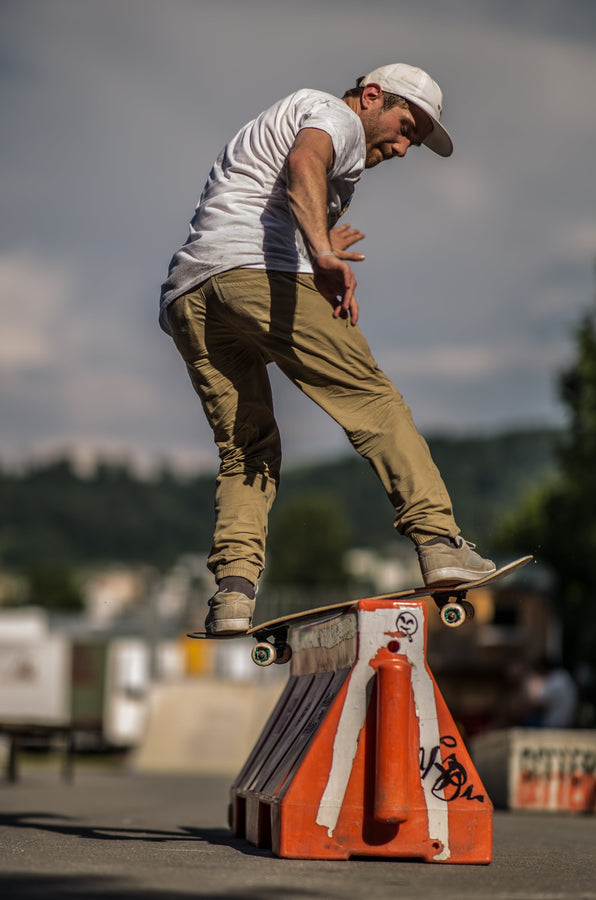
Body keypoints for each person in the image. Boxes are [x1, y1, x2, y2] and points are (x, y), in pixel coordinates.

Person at [160, 63, 496, 635]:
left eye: (413, 139)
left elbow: (266, 195)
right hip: (255, 275)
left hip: (192, 293)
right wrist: (319, 253)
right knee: (374, 402)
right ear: (371, 96)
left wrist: (311, 240)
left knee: (247, 448)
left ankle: (233, 592)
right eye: (405, 127)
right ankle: (439, 541)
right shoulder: (334, 116)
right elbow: (303, 164)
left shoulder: (289, 119)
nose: (403, 147)